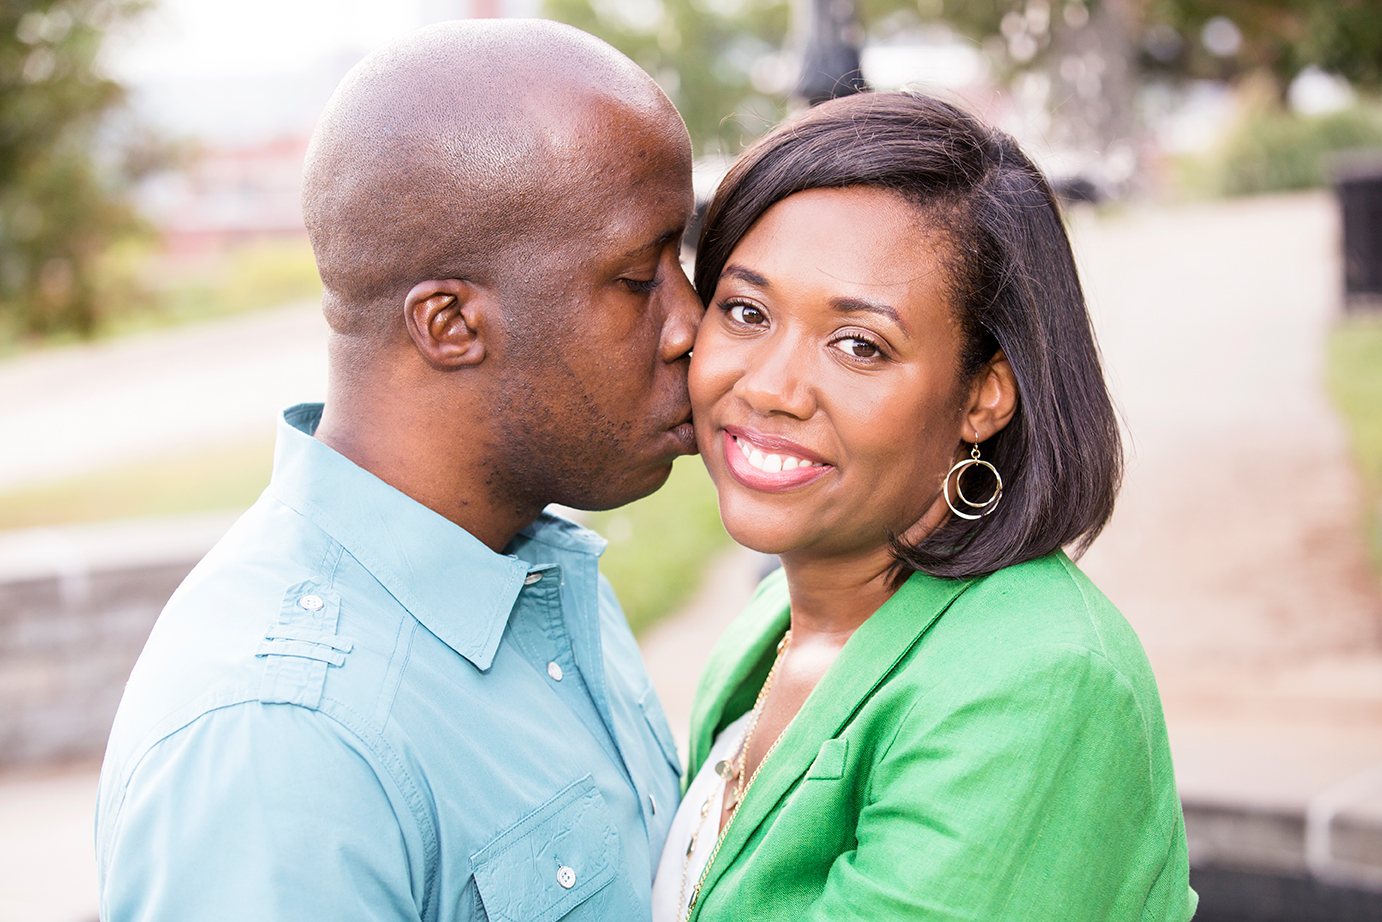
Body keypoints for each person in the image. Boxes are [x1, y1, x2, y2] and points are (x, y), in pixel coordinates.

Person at [95, 19, 700, 922]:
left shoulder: (538, 572)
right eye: (636, 277)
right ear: (451, 324)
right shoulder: (285, 742)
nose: (693, 323)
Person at [652, 92, 1198, 921]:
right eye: (746, 311)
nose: (767, 386)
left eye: (859, 345)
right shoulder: (771, 625)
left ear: (985, 396)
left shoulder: (1032, 681)